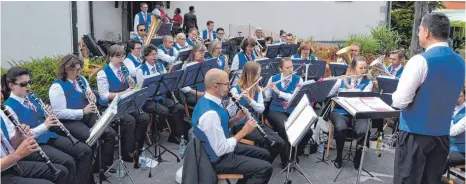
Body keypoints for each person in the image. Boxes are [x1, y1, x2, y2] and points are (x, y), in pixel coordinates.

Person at [392, 12, 465, 184]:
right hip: (442, 136)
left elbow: (400, 101)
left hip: (415, 134)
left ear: (426, 32)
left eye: (419, 30)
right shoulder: (461, 62)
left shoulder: (420, 61)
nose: (418, 34)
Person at [3, 67, 93, 184]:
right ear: (11, 86)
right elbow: (17, 139)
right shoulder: (8, 108)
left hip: (49, 136)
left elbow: (42, 118)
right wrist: (45, 125)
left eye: (29, 82)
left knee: (85, 150)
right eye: (23, 84)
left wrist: (47, 113)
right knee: (68, 162)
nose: (28, 87)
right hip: (34, 145)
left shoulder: (32, 97)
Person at [192, 68, 273, 184]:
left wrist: (236, 119)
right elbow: (220, 149)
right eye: (226, 84)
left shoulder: (211, 100)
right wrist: (244, 132)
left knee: (264, 154)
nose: (229, 87)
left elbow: (220, 128)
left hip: (222, 145)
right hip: (218, 159)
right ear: (215, 86)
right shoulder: (210, 114)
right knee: (265, 169)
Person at [48, 54, 117, 172]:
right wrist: (82, 111)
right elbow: (58, 113)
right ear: (65, 69)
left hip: (87, 115)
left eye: (79, 69)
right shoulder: (57, 87)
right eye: (74, 70)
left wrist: (92, 98)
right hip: (70, 121)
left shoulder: (82, 80)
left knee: (110, 133)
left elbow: (92, 97)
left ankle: (101, 166)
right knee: (92, 137)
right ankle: (86, 172)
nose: (78, 72)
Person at [96, 45, 150, 162]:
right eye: (118, 57)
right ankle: (127, 152)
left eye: (123, 57)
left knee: (144, 118)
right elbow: (104, 96)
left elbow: (130, 87)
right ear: (110, 57)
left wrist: (132, 85)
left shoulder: (123, 69)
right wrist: (122, 93)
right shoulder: (103, 73)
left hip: (126, 101)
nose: (121, 60)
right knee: (130, 121)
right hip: (111, 106)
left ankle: (137, 147)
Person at [230, 62, 287, 166]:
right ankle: (260, 165)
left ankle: (264, 164)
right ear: (250, 75)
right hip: (241, 125)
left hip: (254, 123)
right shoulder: (235, 90)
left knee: (280, 142)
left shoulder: (258, 89)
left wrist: (250, 99)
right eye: (257, 75)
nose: (259, 77)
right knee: (266, 142)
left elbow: (261, 109)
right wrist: (237, 101)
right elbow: (231, 113)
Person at [135, 44, 188, 144]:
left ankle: (175, 135)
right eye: (152, 55)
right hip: (148, 100)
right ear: (146, 56)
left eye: (155, 54)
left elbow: (166, 80)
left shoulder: (160, 66)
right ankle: (155, 131)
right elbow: (141, 89)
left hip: (160, 96)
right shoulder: (140, 70)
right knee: (164, 111)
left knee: (179, 108)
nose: (154, 57)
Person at [327, 56, 372, 169]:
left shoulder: (368, 83)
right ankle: (338, 156)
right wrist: (329, 82)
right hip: (341, 111)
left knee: (363, 130)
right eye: (360, 68)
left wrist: (347, 86)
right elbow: (328, 94)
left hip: (359, 112)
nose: (363, 71)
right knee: (341, 128)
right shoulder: (341, 79)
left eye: (365, 68)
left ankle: (358, 158)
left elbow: (360, 96)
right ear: (353, 68)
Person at [0, 120, 68, 184]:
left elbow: (9, 148)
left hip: (12, 164)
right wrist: (18, 154)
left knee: (62, 171)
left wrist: (19, 138)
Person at [264, 57, 303, 167]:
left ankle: (295, 153)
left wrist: (278, 92)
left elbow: (293, 98)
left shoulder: (298, 80)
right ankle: (285, 158)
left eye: (292, 66)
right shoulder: (274, 78)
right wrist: (259, 93)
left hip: (292, 109)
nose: (291, 70)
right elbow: (267, 97)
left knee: (306, 129)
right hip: (276, 110)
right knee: (284, 127)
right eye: (287, 67)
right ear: (281, 69)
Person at [445, 86, 465, 173]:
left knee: (438, 158)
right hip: (447, 146)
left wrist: (447, 114)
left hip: (461, 151)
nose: (456, 99)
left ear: (464, 96)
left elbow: (453, 132)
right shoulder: (451, 108)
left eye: (459, 96)